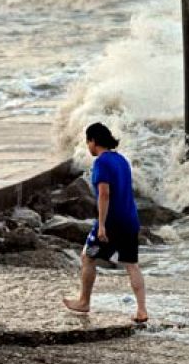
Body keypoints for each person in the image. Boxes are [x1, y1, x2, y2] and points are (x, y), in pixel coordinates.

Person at [62, 122, 148, 324]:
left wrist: (101, 225)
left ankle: (84, 301)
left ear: (93, 141)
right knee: (131, 264)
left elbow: (104, 193)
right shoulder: (122, 160)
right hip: (130, 219)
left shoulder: (101, 163)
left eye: (88, 142)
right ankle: (142, 310)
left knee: (87, 256)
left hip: (112, 222)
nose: (87, 147)